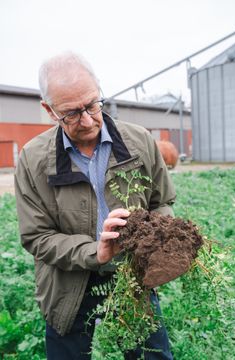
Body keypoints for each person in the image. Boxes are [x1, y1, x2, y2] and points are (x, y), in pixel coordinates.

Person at [14, 52, 176, 360]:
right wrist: (95, 252)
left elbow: (163, 202)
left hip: (133, 277)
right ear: (49, 110)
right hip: (67, 286)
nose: (87, 120)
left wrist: (157, 235)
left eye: (91, 105)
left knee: (150, 355)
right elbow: (36, 237)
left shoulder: (139, 141)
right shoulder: (33, 160)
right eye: (71, 114)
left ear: (99, 91)